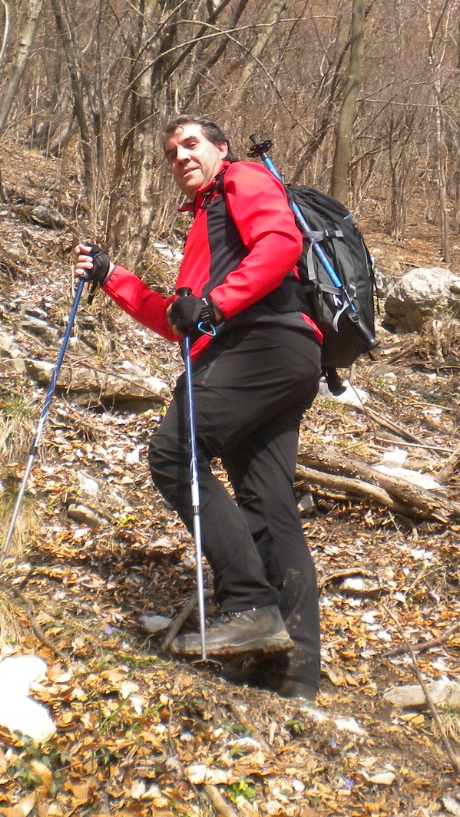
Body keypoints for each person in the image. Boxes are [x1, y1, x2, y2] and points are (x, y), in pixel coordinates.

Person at [75, 114, 323, 702]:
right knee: (267, 502)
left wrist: (215, 303)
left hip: (260, 344)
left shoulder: (242, 182)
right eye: (171, 152)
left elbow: (282, 243)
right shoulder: (207, 228)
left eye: (191, 145)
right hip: (282, 353)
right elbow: (180, 322)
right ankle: (289, 673)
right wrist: (113, 277)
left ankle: (247, 604)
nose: (181, 156)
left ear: (220, 149)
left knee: (173, 454)